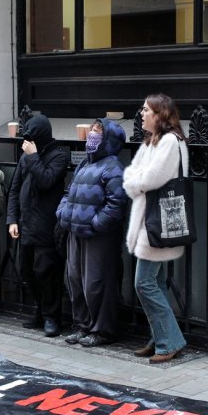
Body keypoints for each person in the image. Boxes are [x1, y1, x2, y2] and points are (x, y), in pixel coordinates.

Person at [123, 93, 189, 364]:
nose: (141, 113)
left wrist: (138, 181)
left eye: (146, 110)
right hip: (150, 221)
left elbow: (151, 177)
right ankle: (160, 336)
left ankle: (170, 340)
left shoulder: (171, 141)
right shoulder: (152, 141)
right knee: (157, 283)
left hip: (157, 222)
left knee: (144, 283)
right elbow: (131, 173)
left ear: (160, 114)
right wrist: (138, 180)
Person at [57, 118, 128, 347]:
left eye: (97, 131)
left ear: (108, 138)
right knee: (75, 280)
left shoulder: (114, 167)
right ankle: (82, 325)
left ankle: (102, 330)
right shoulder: (84, 164)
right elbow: (68, 192)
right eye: (92, 129)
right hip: (75, 231)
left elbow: (116, 203)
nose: (91, 134)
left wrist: (96, 224)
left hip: (98, 237)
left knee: (96, 284)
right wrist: (63, 213)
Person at [7, 114, 68, 337]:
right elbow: (14, 189)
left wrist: (33, 157)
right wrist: (12, 219)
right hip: (26, 224)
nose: (28, 141)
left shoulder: (58, 156)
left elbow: (45, 180)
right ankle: (39, 311)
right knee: (26, 270)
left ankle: (52, 316)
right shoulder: (25, 158)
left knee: (47, 272)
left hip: (46, 225)